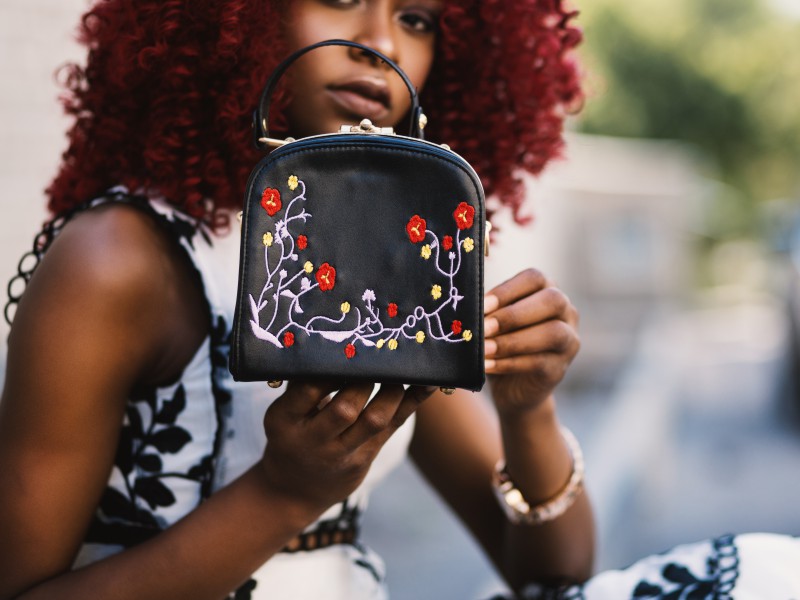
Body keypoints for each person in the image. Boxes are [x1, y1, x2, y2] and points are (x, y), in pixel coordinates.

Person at [0, 1, 593, 599]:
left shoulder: (386, 273)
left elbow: (551, 574)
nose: (379, 43)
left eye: (416, 18)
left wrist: (528, 411)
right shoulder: (114, 261)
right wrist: (285, 492)